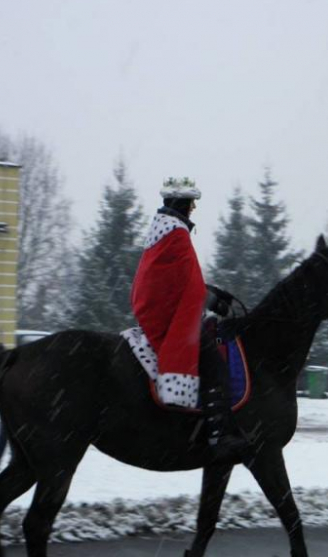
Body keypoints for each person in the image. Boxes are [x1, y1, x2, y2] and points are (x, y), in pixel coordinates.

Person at [129, 177, 248, 460]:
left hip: (159, 310)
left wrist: (213, 293)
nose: (194, 207)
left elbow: (182, 282)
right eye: (191, 203)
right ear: (182, 204)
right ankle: (218, 435)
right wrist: (213, 300)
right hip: (168, 319)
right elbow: (187, 287)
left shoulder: (163, 232)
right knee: (215, 365)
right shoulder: (177, 235)